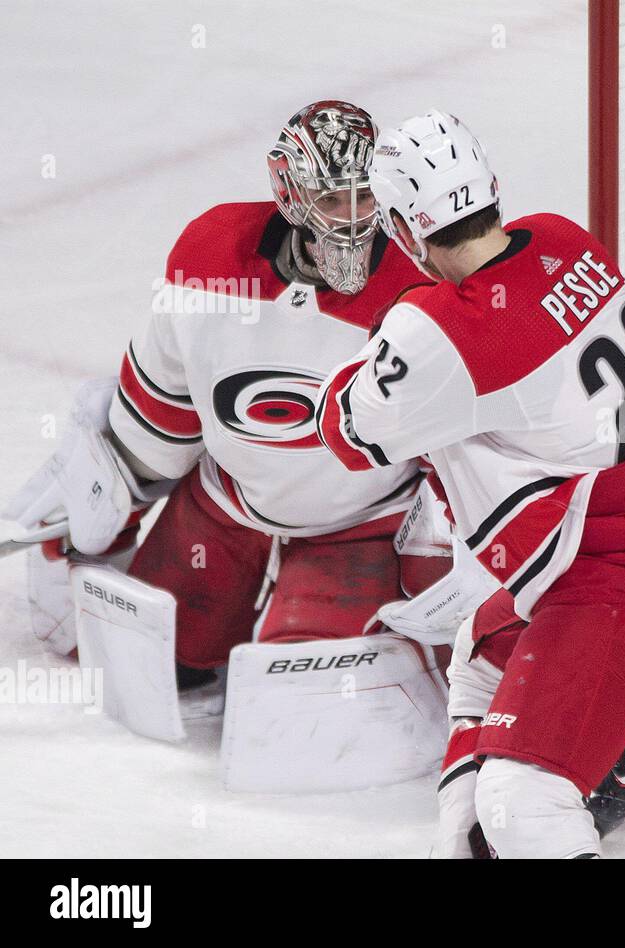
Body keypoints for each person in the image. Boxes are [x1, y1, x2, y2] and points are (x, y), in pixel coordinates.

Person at [314, 109, 625, 857]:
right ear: (489, 188)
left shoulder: (442, 327)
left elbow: (347, 433)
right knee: (479, 659)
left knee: (526, 799)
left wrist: (391, 330)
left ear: (403, 226)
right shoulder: (562, 238)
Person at [5, 100, 434, 679]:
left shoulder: (421, 282)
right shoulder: (212, 256)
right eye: (334, 198)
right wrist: (102, 492)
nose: (355, 218)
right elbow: (161, 418)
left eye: (366, 196)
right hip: (228, 506)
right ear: (290, 192)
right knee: (147, 664)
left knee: (302, 694)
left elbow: (459, 439)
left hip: (364, 522)